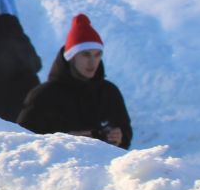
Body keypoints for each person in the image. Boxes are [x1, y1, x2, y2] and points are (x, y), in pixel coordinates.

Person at [18, 13, 132, 147]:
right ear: (71, 57)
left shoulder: (109, 92)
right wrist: (64, 141)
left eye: (97, 55)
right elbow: (23, 142)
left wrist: (120, 137)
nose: (92, 62)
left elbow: (125, 133)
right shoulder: (43, 96)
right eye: (85, 54)